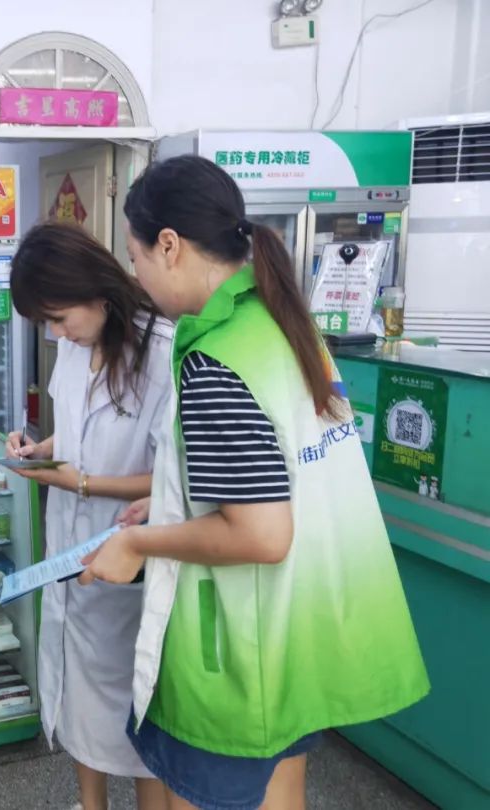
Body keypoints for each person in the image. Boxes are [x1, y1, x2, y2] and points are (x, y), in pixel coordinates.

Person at [81, 155, 429, 810]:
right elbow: (283, 472)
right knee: (282, 789)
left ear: (169, 245)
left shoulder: (216, 358)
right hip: (297, 629)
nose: (136, 276)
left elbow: (262, 533)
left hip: (239, 648)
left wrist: (138, 544)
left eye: (136, 257)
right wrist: (168, 503)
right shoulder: (280, 323)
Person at [5, 222, 170, 810]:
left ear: (95, 292)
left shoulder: (163, 352)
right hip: (71, 551)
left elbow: (175, 480)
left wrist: (79, 482)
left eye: (58, 318)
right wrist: (40, 449)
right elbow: (75, 429)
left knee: (140, 709)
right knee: (76, 694)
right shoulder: (76, 346)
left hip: (127, 553)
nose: (56, 334)